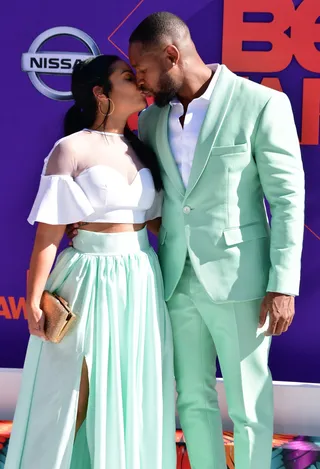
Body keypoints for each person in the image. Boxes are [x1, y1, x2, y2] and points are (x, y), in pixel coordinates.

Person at [127, 11, 305, 469]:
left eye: (144, 70)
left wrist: (282, 284)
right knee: (192, 401)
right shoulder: (150, 121)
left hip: (241, 282)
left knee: (249, 405)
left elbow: (287, 200)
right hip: (176, 281)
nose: (140, 81)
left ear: (172, 54)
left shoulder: (261, 103)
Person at [4, 55, 176, 469]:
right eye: (126, 77)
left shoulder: (145, 147)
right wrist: (32, 299)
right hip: (86, 280)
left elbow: (158, 221)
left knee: (131, 388)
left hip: (140, 278)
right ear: (101, 93)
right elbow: (48, 234)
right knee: (72, 393)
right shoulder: (70, 149)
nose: (138, 83)